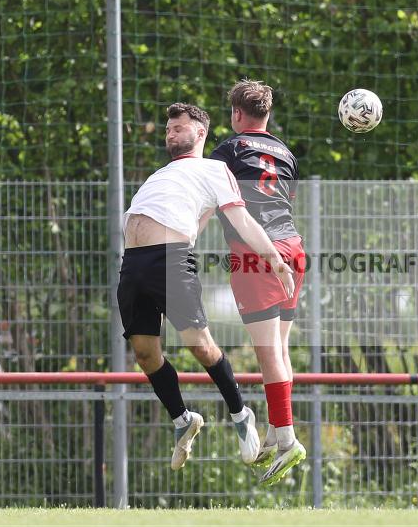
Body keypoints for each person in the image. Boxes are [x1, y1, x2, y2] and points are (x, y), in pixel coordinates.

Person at [118, 102, 295, 472]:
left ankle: (240, 413)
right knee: (145, 355)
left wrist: (274, 259)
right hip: (133, 265)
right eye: (168, 128)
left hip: (170, 261)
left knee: (199, 346)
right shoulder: (162, 173)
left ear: (200, 133)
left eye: (178, 127)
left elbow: (242, 220)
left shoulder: (215, 169)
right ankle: (184, 420)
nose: (170, 133)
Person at [207, 79, 307, 486]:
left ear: (236, 115)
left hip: (257, 253)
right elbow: (286, 198)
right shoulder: (286, 152)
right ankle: (274, 432)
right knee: (279, 349)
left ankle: (287, 440)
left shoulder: (228, 151)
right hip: (294, 248)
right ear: (267, 115)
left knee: (268, 353)